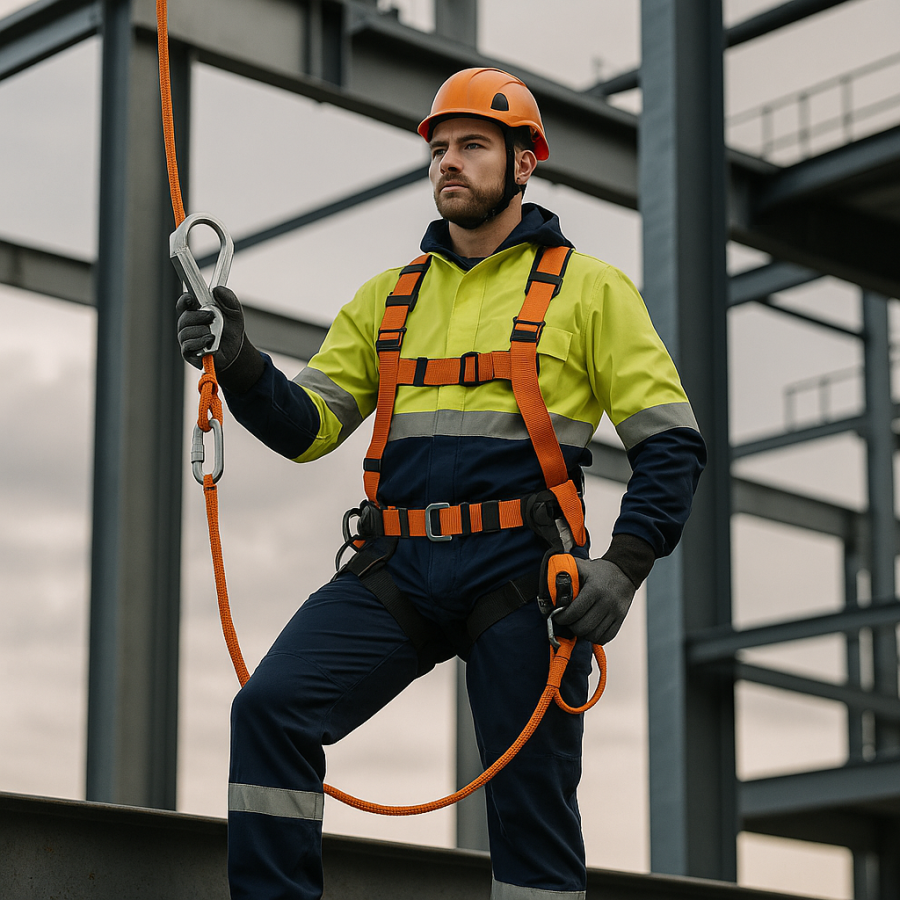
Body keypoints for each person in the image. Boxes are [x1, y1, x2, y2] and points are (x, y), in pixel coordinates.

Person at [177, 67, 705, 900]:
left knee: (530, 804)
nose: (448, 162)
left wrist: (625, 566)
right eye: (439, 149)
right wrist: (239, 364)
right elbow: (307, 427)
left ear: (524, 163)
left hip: (524, 577)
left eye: (472, 146)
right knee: (270, 710)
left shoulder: (591, 289)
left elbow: (672, 445)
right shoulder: (389, 299)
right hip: (400, 569)